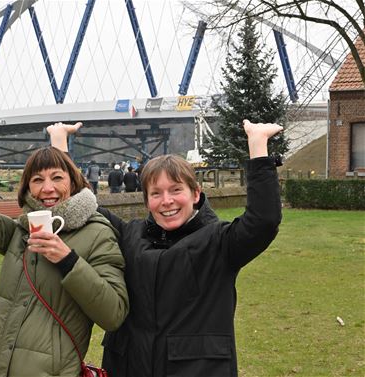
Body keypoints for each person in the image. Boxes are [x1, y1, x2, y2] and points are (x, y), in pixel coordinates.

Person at [49, 120, 283, 377]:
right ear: (147, 201)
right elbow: (80, 203)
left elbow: (263, 221)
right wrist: (59, 142)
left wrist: (258, 145)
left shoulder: (219, 242)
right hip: (128, 365)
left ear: (195, 194)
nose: (167, 201)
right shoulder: (130, 235)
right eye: (156, 193)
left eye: (175, 190)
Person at [0, 128, 129, 377]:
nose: (47, 188)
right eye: (37, 180)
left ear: (74, 182)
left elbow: (113, 314)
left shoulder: (98, 233)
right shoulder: (19, 233)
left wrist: (68, 260)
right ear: (28, 188)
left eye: (57, 178)